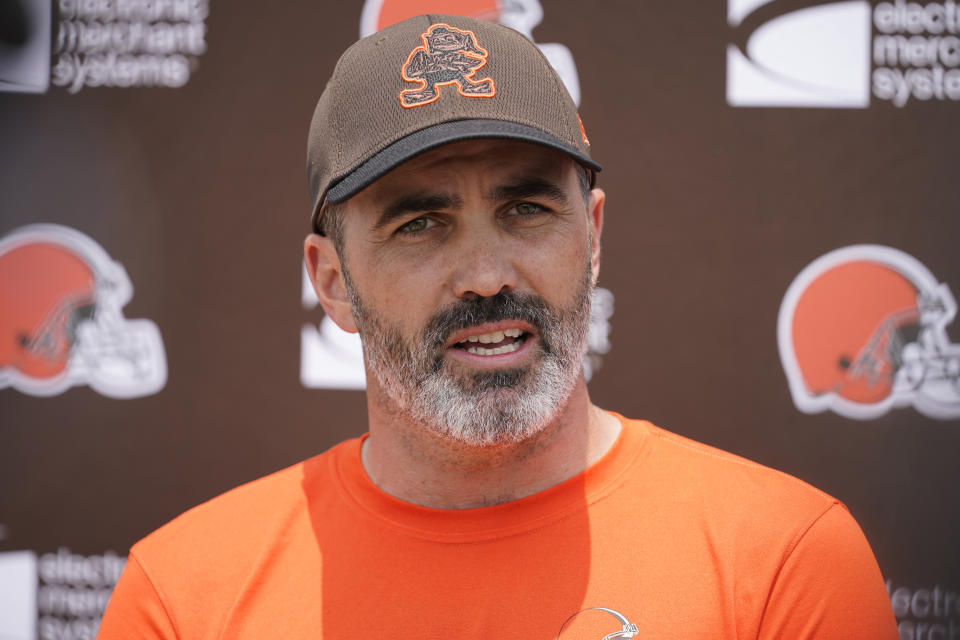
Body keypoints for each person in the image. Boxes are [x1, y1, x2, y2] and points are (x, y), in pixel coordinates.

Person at [97, 14, 898, 639]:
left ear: (593, 239)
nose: (486, 274)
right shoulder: (187, 597)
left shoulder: (787, 562)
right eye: (421, 223)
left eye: (526, 209)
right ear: (331, 283)